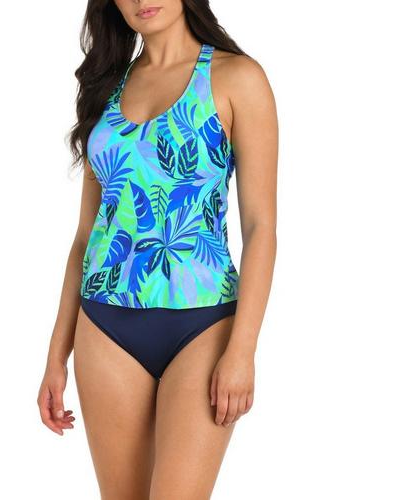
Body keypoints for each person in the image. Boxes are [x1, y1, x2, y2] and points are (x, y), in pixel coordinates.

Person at [38, 1, 278, 498]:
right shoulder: (106, 87)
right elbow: (85, 235)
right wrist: (56, 355)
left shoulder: (237, 78)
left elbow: (260, 227)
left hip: (203, 327)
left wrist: (243, 351)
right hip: (104, 325)